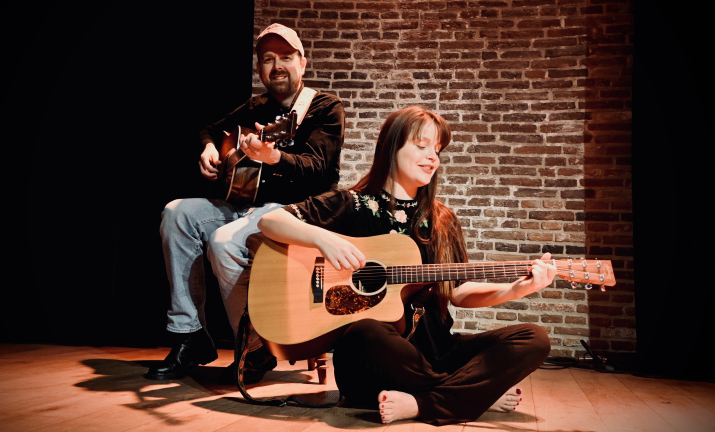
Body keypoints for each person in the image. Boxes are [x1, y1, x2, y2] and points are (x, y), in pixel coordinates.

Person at [257, 105, 556, 425]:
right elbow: (270, 221)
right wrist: (323, 240)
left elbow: (459, 292)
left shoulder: (442, 220)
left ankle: (424, 402)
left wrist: (515, 288)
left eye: (437, 150)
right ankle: (471, 397)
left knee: (533, 338)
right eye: (421, 145)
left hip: (436, 353)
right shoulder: (353, 204)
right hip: (373, 361)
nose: (433, 157)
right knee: (367, 330)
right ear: (391, 146)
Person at [146, 23, 345, 384]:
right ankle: (189, 336)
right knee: (176, 213)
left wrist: (274, 159)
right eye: (268, 59)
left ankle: (255, 349)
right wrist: (209, 147)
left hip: (293, 212)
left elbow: (319, 169)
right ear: (259, 68)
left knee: (225, 240)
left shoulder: (325, 108)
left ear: (303, 61)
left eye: (286, 57)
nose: (277, 66)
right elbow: (210, 130)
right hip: (244, 205)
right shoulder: (257, 107)